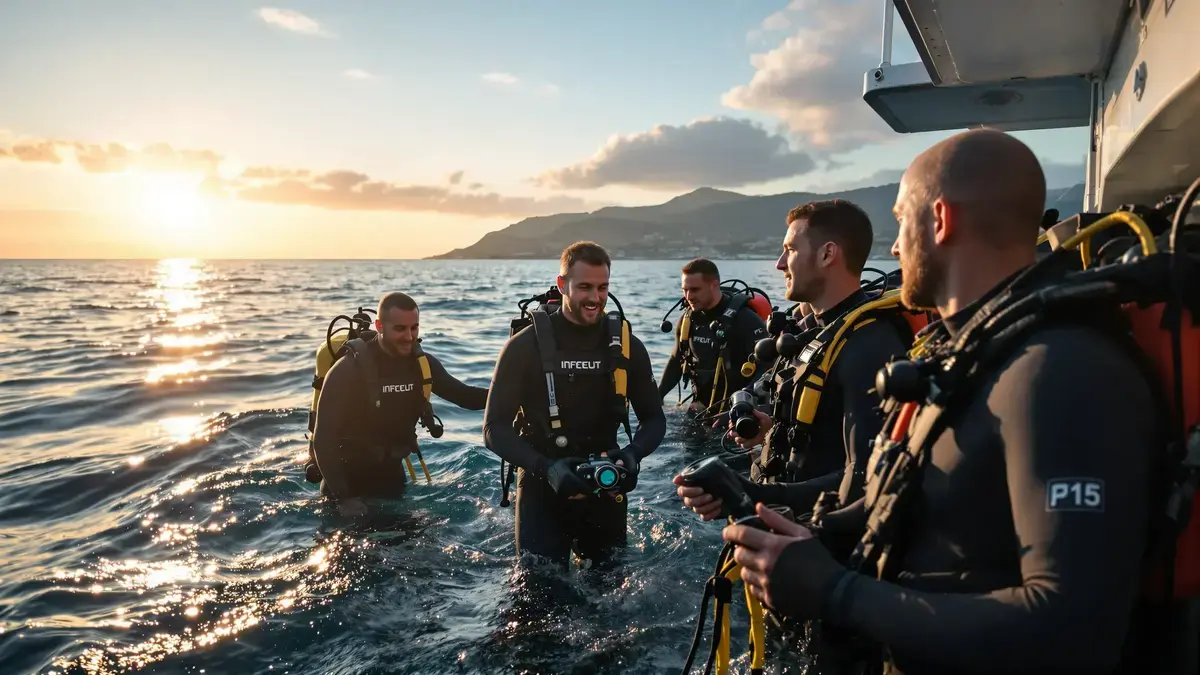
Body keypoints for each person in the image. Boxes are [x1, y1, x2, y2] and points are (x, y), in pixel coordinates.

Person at [720, 129, 1161, 674]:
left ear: (941, 220)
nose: (895, 248)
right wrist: (802, 534)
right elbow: (908, 499)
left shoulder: (1060, 370)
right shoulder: (967, 358)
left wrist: (835, 591)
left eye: (902, 222)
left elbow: (1074, 629)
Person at [675, 200, 914, 525]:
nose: (779, 264)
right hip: (786, 524)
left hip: (817, 539)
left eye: (790, 250)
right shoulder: (821, 333)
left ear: (828, 254)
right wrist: (770, 431)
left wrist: (750, 495)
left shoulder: (869, 346)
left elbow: (866, 478)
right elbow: (824, 437)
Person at [483, 241, 666, 567]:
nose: (595, 298)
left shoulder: (627, 347)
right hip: (542, 483)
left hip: (605, 482)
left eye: (602, 287)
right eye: (584, 287)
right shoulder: (523, 348)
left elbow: (653, 418)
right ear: (562, 284)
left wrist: (632, 455)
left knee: (610, 590)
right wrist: (547, 468)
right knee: (540, 589)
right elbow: (493, 428)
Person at [310, 292, 489, 517]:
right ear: (379, 326)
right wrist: (344, 499)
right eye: (400, 329)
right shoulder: (348, 369)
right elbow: (323, 439)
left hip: (392, 479)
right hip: (346, 485)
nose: (409, 336)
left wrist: (514, 394)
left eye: (414, 328)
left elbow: (465, 396)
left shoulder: (422, 365)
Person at [658, 258, 768, 417]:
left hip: (738, 411)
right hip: (701, 409)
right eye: (685, 290)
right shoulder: (687, 320)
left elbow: (767, 366)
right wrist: (658, 397)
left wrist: (745, 400)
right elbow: (676, 361)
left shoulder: (746, 320)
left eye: (695, 289)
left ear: (714, 285)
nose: (688, 296)